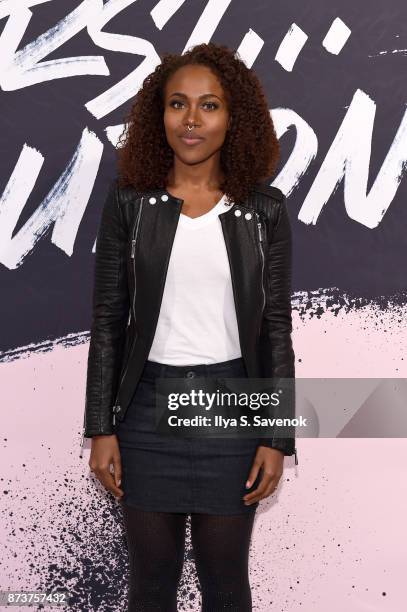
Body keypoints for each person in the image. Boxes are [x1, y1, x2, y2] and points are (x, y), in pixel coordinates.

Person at [82, 42, 297, 611]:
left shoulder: (265, 210)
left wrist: (276, 438)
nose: (192, 120)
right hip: (147, 413)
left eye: (209, 105)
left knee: (226, 585)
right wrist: (100, 427)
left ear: (235, 118)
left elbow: (276, 329)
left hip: (231, 408)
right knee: (151, 586)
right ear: (160, 116)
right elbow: (108, 320)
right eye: (178, 104)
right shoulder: (129, 203)